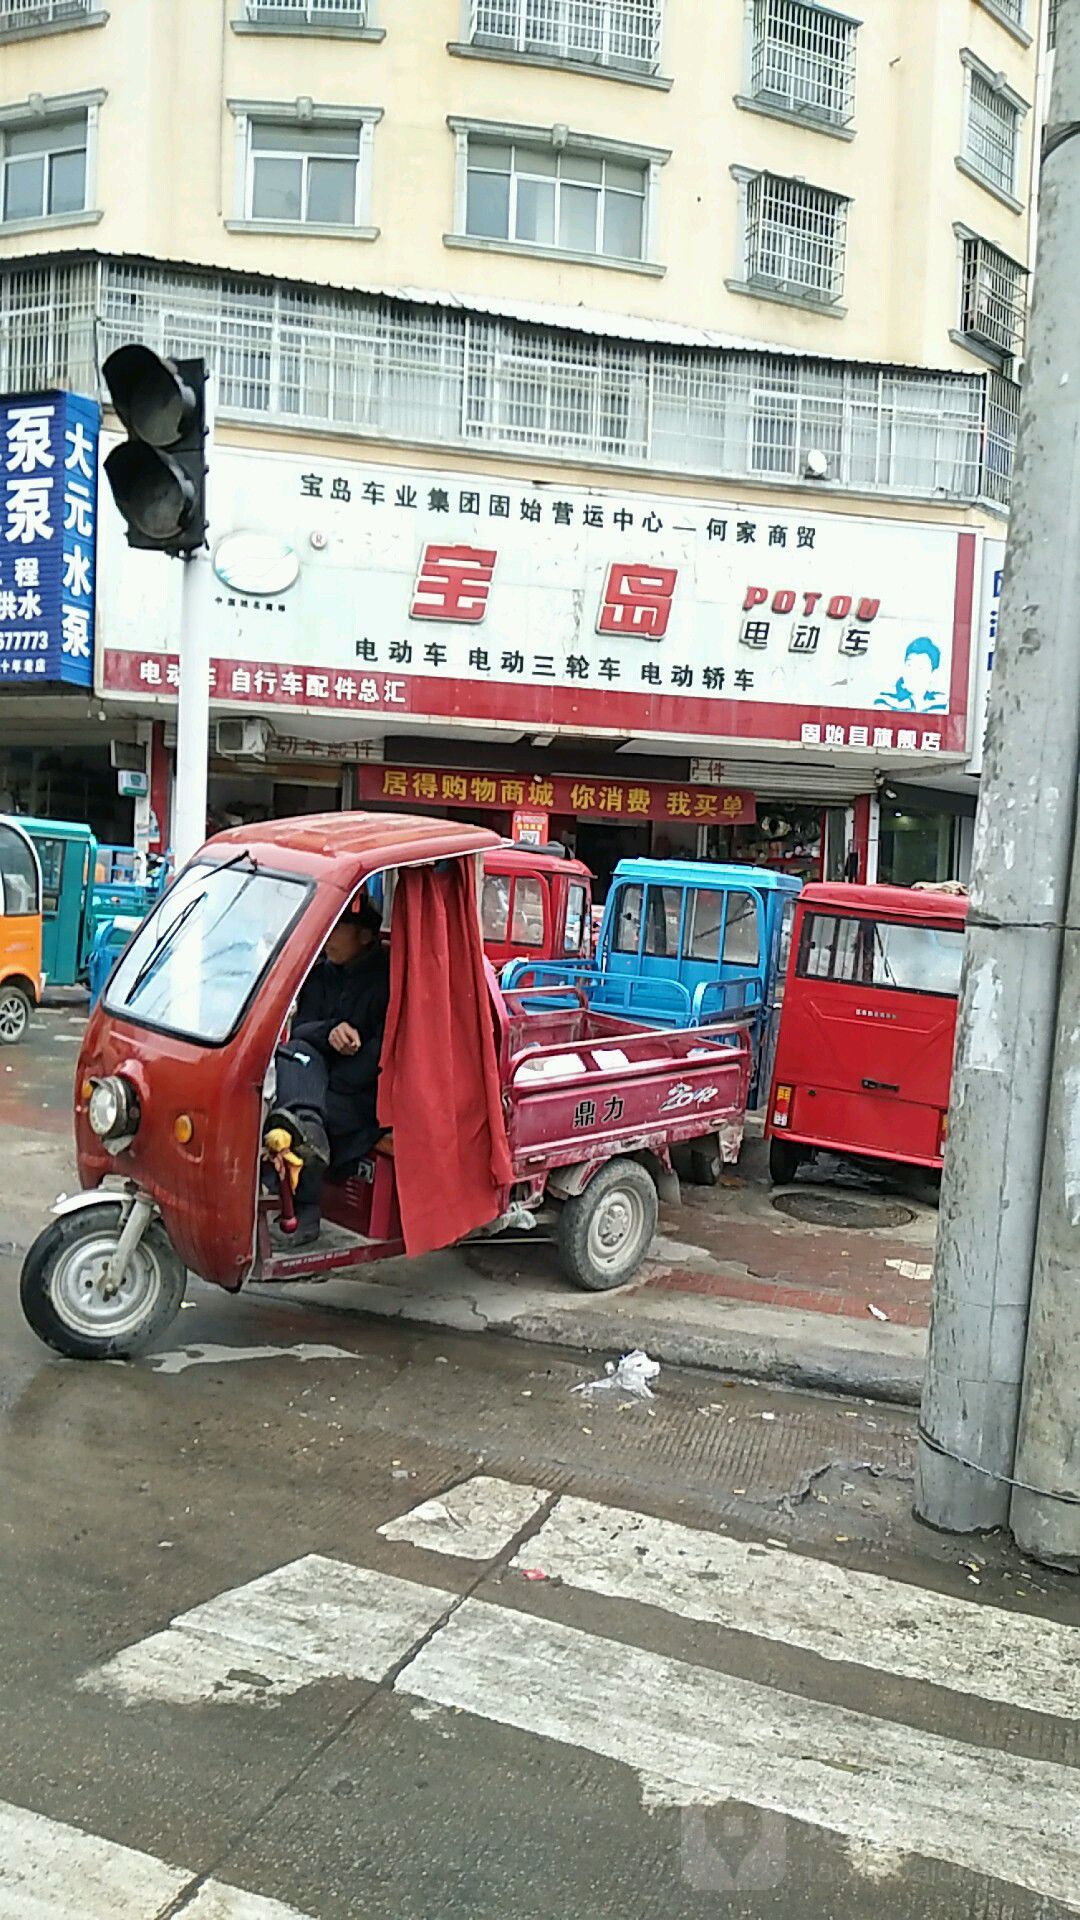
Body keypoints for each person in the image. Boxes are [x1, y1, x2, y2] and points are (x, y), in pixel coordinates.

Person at [268, 897, 390, 1245]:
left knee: (290, 1120)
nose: (329, 938)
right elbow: (301, 1029)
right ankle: (308, 1122)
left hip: (359, 1093)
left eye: (338, 929)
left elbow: (385, 1052)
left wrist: (336, 1072)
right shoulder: (320, 972)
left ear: (365, 936)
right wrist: (331, 1032)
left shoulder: (386, 978)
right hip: (314, 1079)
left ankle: (305, 1212)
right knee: (295, 1057)